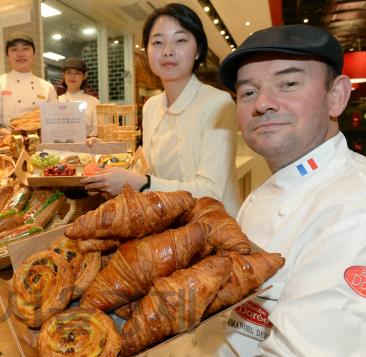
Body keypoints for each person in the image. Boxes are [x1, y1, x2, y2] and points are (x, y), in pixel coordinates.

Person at [156, 25, 366, 357]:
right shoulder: (271, 187)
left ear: (336, 96)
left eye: (289, 83)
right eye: (249, 92)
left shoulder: (354, 211)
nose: (263, 104)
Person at [81, 3, 240, 217]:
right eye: (157, 42)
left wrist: (144, 184)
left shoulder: (218, 103)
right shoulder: (151, 106)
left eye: (180, 40)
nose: (167, 51)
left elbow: (211, 192)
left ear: (198, 50)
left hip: (215, 230)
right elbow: (150, 169)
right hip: (168, 224)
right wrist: (112, 156)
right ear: (147, 51)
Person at [0, 32, 58, 137]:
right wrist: (16, 137)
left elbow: (54, 121)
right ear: (7, 56)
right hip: (9, 144)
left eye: (25, 48)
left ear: (34, 53)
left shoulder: (47, 87)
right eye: (14, 49)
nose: (20, 54)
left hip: (41, 144)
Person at [58, 58, 100, 138]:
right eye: (69, 73)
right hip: (59, 149)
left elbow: (95, 133)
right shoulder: (56, 101)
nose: (72, 77)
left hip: (85, 149)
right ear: (64, 75)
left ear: (84, 76)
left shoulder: (93, 102)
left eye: (77, 73)